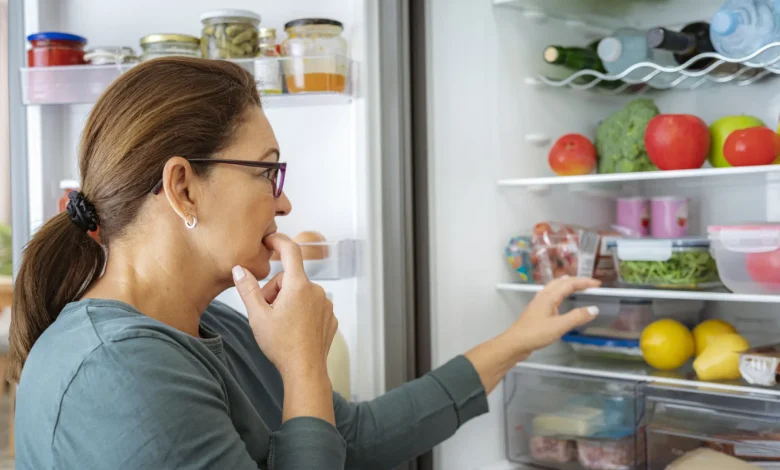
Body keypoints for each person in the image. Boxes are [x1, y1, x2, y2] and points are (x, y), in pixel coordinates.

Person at [8, 57, 601, 470]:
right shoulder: (118, 375)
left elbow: (354, 439)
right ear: (184, 188)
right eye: (268, 172)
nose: (284, 200)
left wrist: (519, 339)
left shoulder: (216, 325)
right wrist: (302, 365)